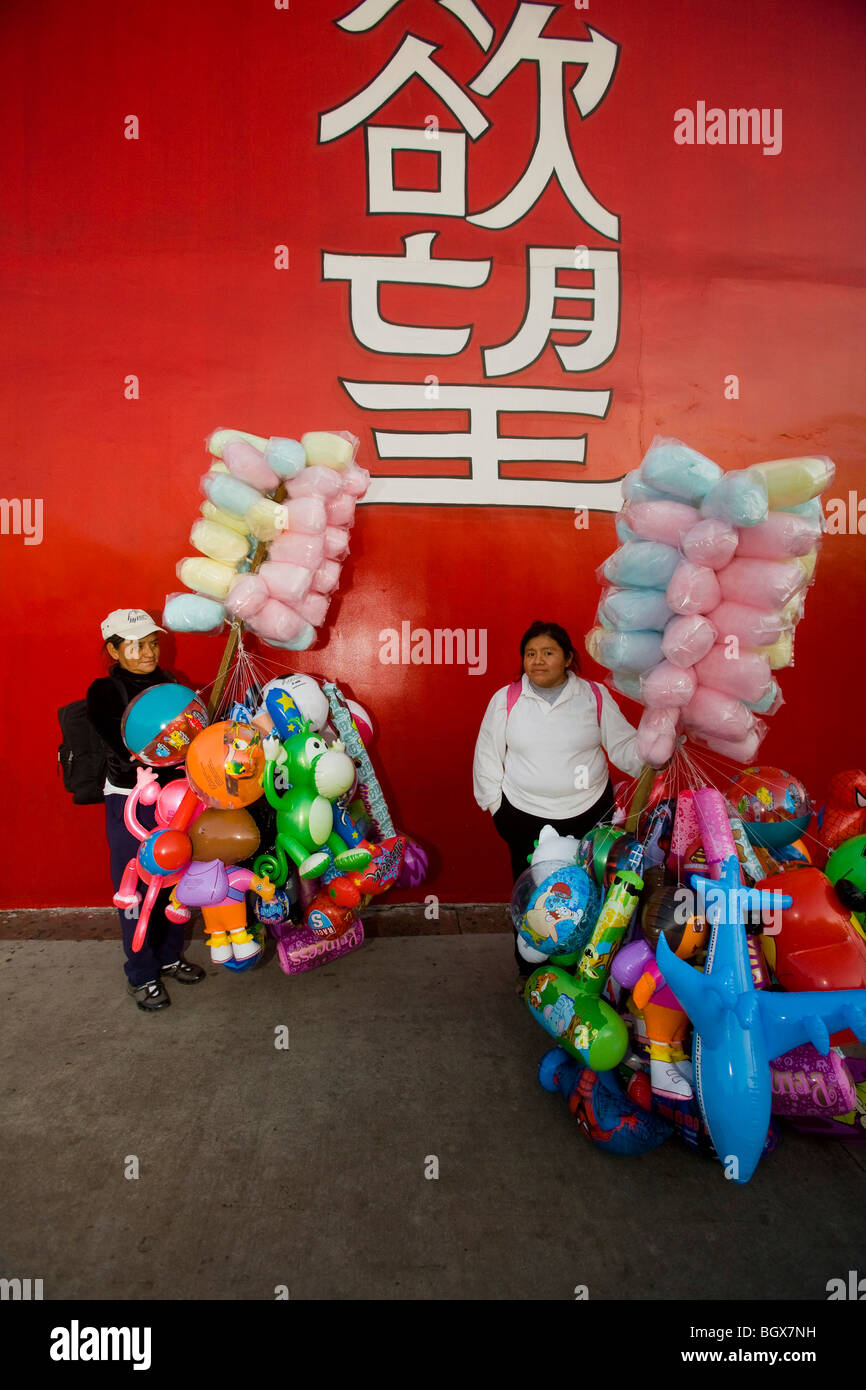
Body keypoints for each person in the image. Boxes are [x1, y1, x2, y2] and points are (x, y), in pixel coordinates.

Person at [472, 620, 644, 979]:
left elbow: (624, 746)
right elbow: (485, 757)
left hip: (589, 813)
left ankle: (585, 974)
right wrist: (496, 808)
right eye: (530, 654)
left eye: (548, 652)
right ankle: (531, 974)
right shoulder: (506, 700)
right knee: (534, 897)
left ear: (567, 657)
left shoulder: (594, 697)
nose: (537, 661)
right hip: (523, 815)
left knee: (588, 896)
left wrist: (653, 750)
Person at [86, 609, 205, 1011]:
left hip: (177, 799)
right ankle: (142, 974)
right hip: (130, 799)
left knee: (174, 879)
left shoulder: (173, 684)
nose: (147, 651)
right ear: (113, 649)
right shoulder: (103, 691)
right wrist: (173, 741)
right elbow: (126, 747)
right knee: (135, 885)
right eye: (135, 644)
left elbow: (194, 737)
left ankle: (170, 956)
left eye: (152, 642)